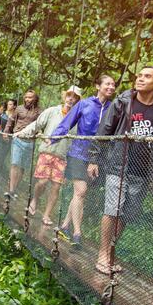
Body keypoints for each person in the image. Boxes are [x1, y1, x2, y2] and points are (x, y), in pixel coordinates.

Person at [87, 66, 153, 275]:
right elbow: (105, 129)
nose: (140, 79)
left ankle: (110, 251)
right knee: (112, 209)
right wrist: (94, 158)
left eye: (147, 76)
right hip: (118, 165)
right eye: (139, 75)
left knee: (126, 215)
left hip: (145, 170)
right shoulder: (123, 102)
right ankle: (103, 256)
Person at [49, 75, 116, 244]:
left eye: (113, 85)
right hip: (79, 153)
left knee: (80, 195)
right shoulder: (84, 104)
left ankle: (64, 225)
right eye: (107, 84)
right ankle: (77, 233)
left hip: (98, 156)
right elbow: (68, 121)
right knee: (81, 191)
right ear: (97, 86)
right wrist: (54, 137)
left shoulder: (114, 108)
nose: (111, 87)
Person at [16, 86, 82, 225]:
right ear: (65, 96)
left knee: (56, 187)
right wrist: (22, 133)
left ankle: (46, 215)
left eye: (74, 97)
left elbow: (79, 137)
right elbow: (37, 124)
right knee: (43, 182)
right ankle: (35, 199)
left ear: (77, 100)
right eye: (69, 95)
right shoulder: (52, 111)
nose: (71, 98)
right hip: (47, 152)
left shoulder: (77, 119)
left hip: (62, 156)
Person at [3, 90, 41, 197]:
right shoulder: (19, 108)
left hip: (30, 141)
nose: (28, 99)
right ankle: (11, 190)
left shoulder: (39, 111)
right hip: (18, 139)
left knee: (22, 168)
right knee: (15, 164)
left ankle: (14, 188)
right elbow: (10, 121)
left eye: (30, 97)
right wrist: (6, 132)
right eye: (26, 97)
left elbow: (42, 124)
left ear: (35, 98)